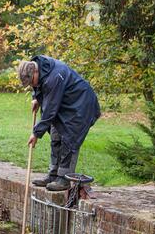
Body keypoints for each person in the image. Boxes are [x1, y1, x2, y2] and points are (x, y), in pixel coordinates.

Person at [17, 55, 101, 191]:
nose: (32, 86)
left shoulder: (54, 77)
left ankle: (64, 179)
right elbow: (39, 86)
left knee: (69, 140)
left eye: (32, 82)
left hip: (80, 105)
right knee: (55, 137)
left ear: (35, 72)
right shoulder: (39, 66)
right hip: (65, 103)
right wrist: (36, 98)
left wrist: (36, 133)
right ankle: (53, 175)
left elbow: (50, 110)